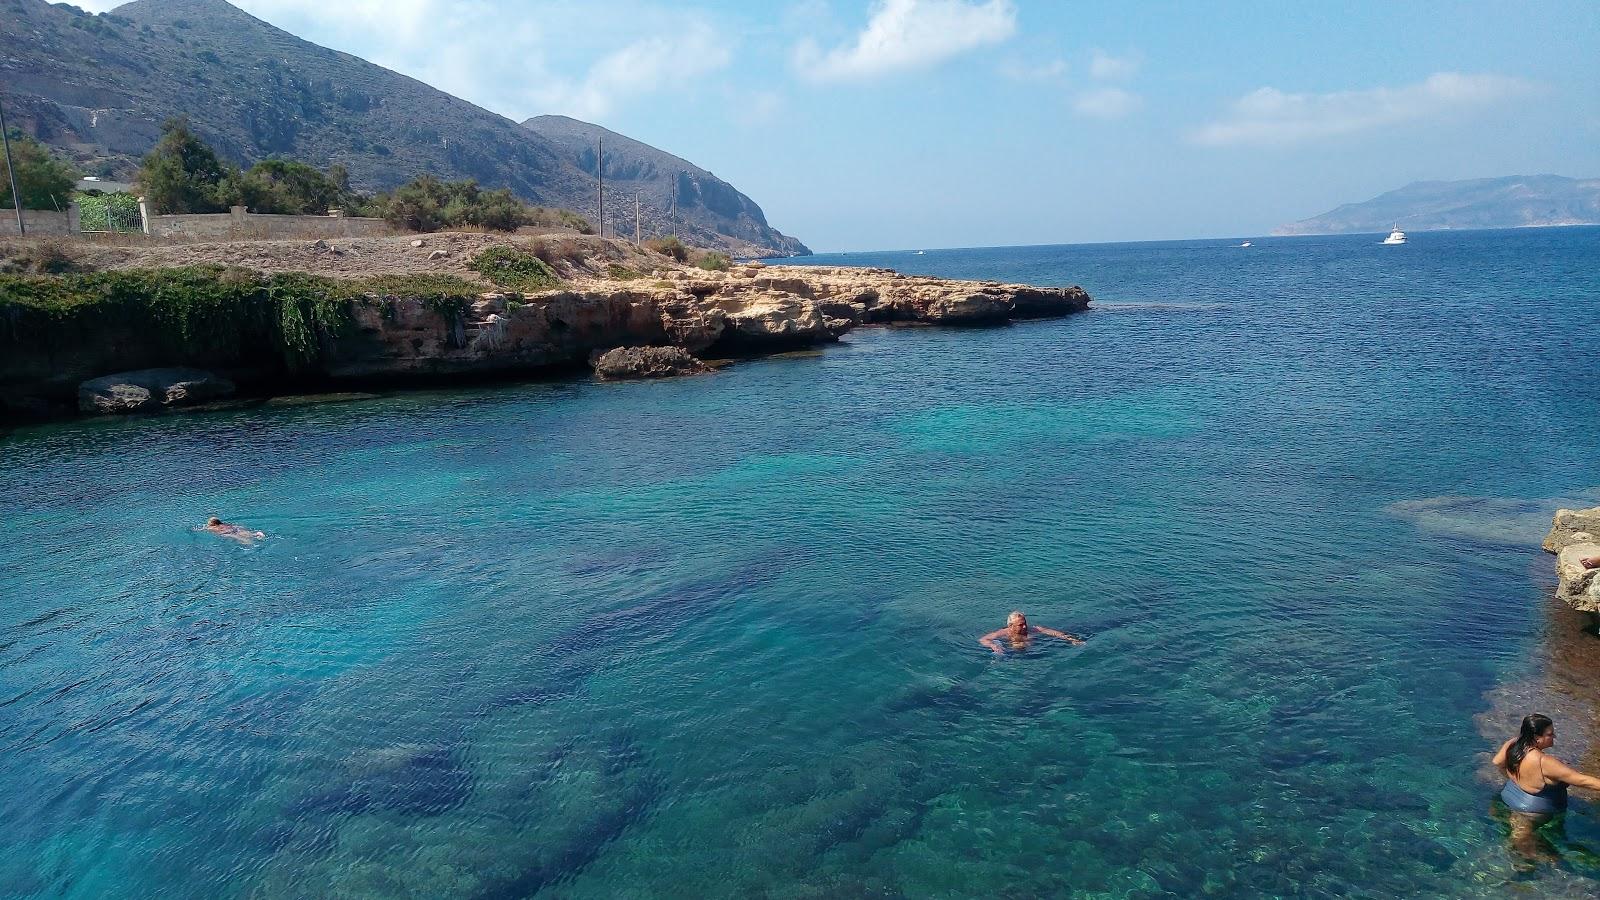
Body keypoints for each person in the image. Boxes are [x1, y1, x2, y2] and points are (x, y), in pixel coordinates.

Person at [1493, 714, 1600, 820]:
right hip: (1532, 812)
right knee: (1528, 837)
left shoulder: (1513, 744)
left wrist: (1516, 779)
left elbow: (1497, 762)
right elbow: (1583, 781)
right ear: (1536, 737)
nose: (1554, 736)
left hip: (1509, 797)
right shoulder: (1544, 762)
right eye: (1550, 734)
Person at [979, 611, 1084, 656]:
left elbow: (1055, 633)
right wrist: (993, 646)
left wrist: (1071, 639)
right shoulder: (1004, 632)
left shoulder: (1033, 630)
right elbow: (983, 639)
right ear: (1011, 626)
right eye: (1020, 625)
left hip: (1031, 653)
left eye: (1025, 623)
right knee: (1017, 645)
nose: (1024, 626)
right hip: (1012, 653)